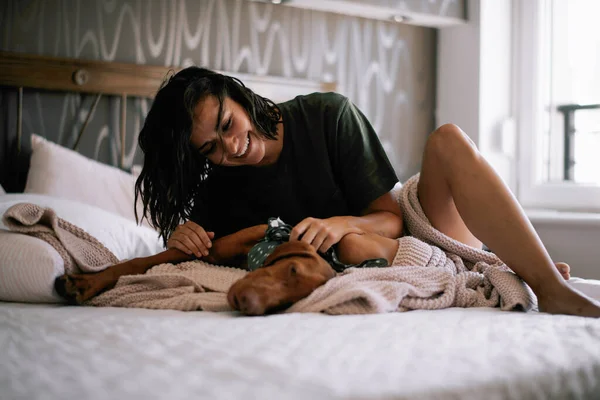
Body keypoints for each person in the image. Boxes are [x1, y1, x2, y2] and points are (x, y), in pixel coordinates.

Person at [135, 66, 600, 318]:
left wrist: (342, 223)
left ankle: (548, 286)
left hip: (412, 227)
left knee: (449, 140)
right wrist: (183, 237)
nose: (233, 147)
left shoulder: (326, 116)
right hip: (380, 258)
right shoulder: (220, 180)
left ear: (238, 97)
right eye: (212, 148)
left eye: (227, 125)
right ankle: (494, 268)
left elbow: (392, 214)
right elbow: (203, 254)